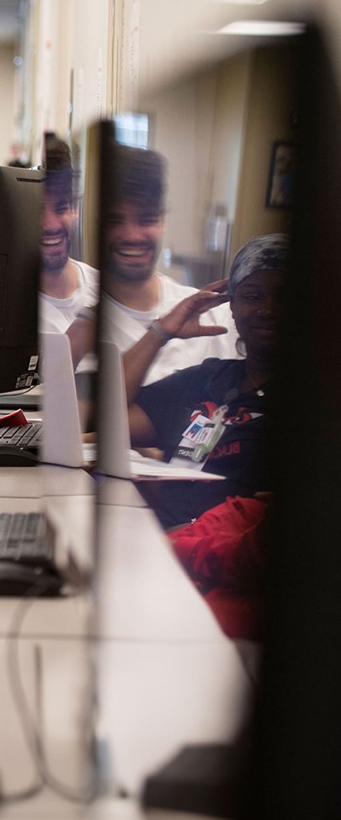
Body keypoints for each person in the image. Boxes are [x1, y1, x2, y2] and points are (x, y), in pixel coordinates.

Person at [122, 233, 286, 529]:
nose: (268, 309)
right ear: (232, 307)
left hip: (220, 561)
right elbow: (110, 417)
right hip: (156, 542)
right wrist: (161, 331)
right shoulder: (207, 379)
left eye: (286, 297)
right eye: (252, 296)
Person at [67, 146, 237, 384]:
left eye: (146, 219)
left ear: (162, 221)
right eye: (116, 220)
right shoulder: (80, 336)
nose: (132, 235)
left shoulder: (214, 318)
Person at [39, 134, 98, 334]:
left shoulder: (102, 292)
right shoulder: (9, 307)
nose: (51, 225)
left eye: (61, 208)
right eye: (37, 210)